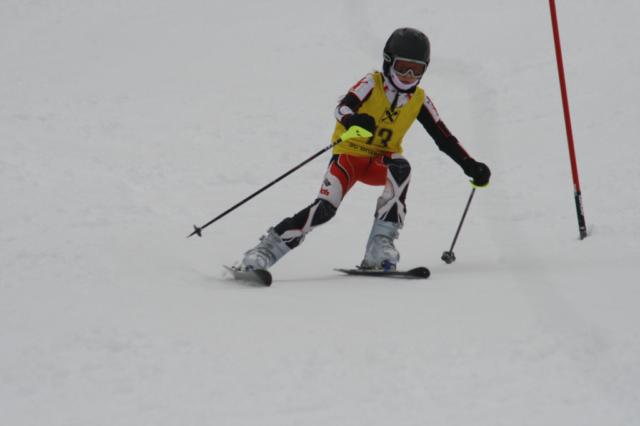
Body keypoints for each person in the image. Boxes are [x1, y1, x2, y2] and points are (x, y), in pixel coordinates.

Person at [236, 27, 490, 272]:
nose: (408, 75)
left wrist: (469, 165)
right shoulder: (372, 82)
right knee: (324, 210)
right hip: (350, 155)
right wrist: (353, 120)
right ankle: (264, 251)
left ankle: (379, 247)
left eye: (417, 70)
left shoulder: (419, 99)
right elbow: (342, 108)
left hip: (380, 162)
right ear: (388, 61)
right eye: (402, 67)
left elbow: (444, 137)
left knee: (401, 167)